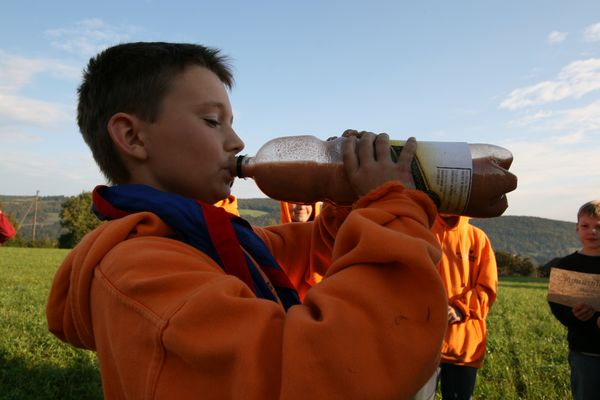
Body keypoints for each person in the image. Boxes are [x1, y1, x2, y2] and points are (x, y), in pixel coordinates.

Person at [45, 42, 449, 400]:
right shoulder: (141, 269)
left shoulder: (211, 240)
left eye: (232, 122)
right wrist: (392, 208)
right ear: (133, 138)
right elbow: (330, 374)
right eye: (212, 121)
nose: (237, 142)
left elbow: (313, 250)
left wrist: (348, 203)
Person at [431, 214, 498, 400]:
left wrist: (460, 310)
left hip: (464, 344)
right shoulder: (422, 233)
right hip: (423, 344)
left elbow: (487, 287)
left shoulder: (478, 239)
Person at [548, 200, 600, 400]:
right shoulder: (566, 265)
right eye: (586, 226)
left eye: (598, 227)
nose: (592, 232)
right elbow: (557, 306)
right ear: (577, 228)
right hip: (584, 352)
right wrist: (574, 315)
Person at [280, 201, 323, 300]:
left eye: (307, 201)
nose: (301, 207)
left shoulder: (326, 242)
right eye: (294, 201)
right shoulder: (275, 241)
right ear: (285, 204)